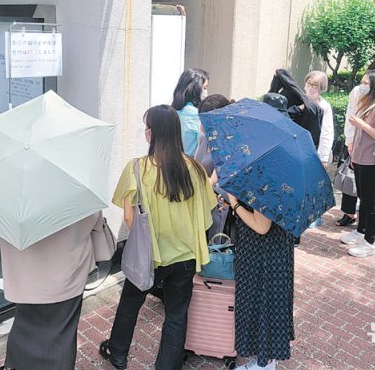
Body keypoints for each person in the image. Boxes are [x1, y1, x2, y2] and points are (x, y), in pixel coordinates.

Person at [100, 105, 216, 370]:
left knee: (130, 303)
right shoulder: (195, 169)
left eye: (146, 127)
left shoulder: (137, 168)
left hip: (150, 255)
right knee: (176, 315)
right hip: (185, 256)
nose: (145, 132)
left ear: (152, 134)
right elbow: (206, 211)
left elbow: (130, 219)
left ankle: (117, 353)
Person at [0, 213, 105, 370]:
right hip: (67, 273)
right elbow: (93, 219)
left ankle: (17, 365)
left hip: (26, 273)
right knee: (63, 335)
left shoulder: (12, 193)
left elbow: (0, 227)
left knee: (24, 325)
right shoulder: (75, 188)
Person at [220, 192, 296, 369]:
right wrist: (235, 204)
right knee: (265, 304)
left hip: (263, 254)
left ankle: (265, 362)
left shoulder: (264, 182)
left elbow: (262, 226)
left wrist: (235, 204)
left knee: (263, 305)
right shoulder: (271, 176)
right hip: (268, 250)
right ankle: (265, 358)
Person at [341, 70, 375, 257]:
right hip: (361, 159)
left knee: (369, 202)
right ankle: (361, 231)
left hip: (373, 162)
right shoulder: (367, 104)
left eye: (366, 83)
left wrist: (363, 125)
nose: (362, 86)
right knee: (363, 198)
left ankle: (370, 242)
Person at [195, 93, 234, 181]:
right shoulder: (203, 138)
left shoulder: (228, 145)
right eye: (201, 120)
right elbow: (195, 166)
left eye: (206, 122)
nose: (202, 125)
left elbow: (215, 179)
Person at [171, 68, 209, 157]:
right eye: (205, 87)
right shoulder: (198, 116)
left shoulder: (172, 113)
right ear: (196, 88)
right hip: (190, 166)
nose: (206, 92)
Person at [303, 71, 334, 169]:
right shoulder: (298, 101)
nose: (311, 87)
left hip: (314, 150)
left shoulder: (324, 106)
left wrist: (323, 158)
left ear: (321, 88)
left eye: (315, 85)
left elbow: (327, 132)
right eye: (309, 83)